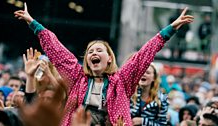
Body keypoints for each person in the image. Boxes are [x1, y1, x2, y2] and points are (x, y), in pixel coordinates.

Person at [14, 3, 194, 125]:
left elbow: (144, 54)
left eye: (99, 50)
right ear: (86, 60)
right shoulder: (78, 77)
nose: (94, 53)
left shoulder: (121, 81)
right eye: (90, 51)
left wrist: (170, 29)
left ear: (109, 58)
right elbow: (57, 49)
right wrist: (33, 23)